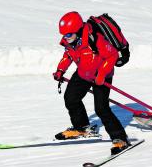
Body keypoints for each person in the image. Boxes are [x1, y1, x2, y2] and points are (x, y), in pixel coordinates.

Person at [52, 11, 130, 155]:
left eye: (68, 35)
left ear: (77, 30)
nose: (65, 38)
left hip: (101, 75)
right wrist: (60, 70)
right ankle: (81, 127)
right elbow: (68, 55)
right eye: (64, 35)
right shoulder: (71, 42)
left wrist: (101, 74)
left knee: (101, 108)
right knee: (71, 98)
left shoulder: (95, 39)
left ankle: (120, 138)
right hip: (83, 73)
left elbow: (112, 55)